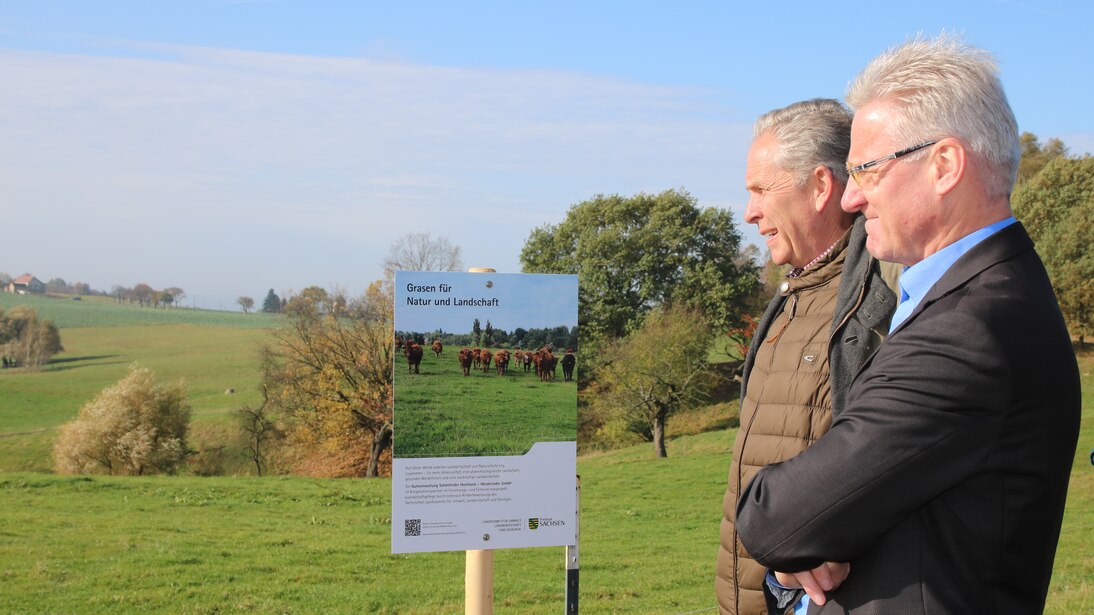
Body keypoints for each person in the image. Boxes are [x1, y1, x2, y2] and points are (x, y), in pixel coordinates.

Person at [735, 35, 1081, 614]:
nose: (851, 200)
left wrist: (807, 535)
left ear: (944, 165)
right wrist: (814, 540)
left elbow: (775, 518)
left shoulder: (969, 329)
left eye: (866, 171)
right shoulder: (979, 296)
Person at [715, 98, 897, 615]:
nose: (749, 212)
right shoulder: (792, 301)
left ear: (820, 187)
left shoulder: (878, 303)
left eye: (760, 191)